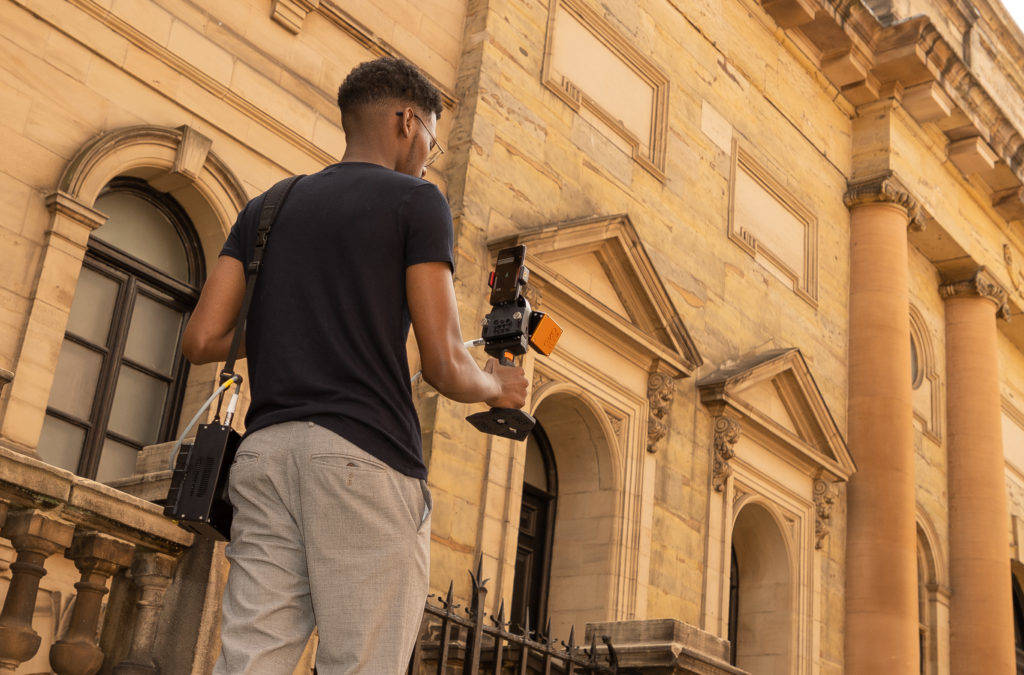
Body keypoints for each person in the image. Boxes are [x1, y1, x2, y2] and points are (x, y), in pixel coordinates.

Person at [182, 57, 528, 674]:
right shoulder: (418, 202)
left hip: (267, 454)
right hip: (363, 460)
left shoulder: (267, 206)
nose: (428, 155)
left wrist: (293, 315)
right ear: (406, 121)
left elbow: (203, 337)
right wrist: (497, 387)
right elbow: (447, 365)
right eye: (431, 139)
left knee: (249, 659)